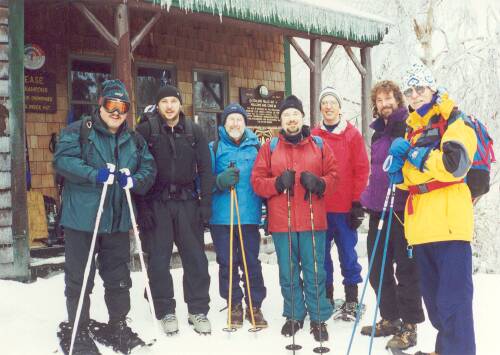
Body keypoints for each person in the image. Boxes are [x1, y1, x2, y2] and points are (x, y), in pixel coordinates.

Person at [54, 79, 156, 354]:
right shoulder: (79, 132)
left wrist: (133, 181)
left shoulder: (134, 139)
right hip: (82, 219)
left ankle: (118, 323)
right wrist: (94, 174)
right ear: (100, 105)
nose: (116, 111)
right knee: (80, 276)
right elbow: (63, 161)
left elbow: (149, 168)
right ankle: (79, 326)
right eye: (111, 104)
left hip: (117, 218)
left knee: (118, 276)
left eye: (122, 106)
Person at [386, 62, 477, 355]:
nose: (414, 95)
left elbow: (454, 166)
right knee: (437, 306)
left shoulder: (455, 122)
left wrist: (414, 156)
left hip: (449, 224)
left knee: (455, 305)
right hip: (421, 227)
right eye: (410, 90)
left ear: (433, 88)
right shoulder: (414, 128)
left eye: (420, 88)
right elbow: (417, 176)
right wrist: (399, 174)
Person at [251, 95, 338, 342]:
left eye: (295, 114)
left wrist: (320, 183)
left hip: (313, 221)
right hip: (282, 222)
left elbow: (335, 175)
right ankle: (294, 314)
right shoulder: (270, 148)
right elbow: (257, 182)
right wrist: (277, 183)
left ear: (302, 117)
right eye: (287, 115)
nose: (291, 119)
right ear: (281, 120)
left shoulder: (319, 145)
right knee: (288, 273)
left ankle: (319, 316)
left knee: (314, 271)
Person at [135, 85, 213, 335]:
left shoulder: (194, 131)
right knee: (158, 259)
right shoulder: (146, 130)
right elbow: (137, 170)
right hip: (156, 203)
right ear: (157, 105)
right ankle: (165, 309)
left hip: (187, 202)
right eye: (164, 101)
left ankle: (197, 309)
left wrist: (205, 204)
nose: (169, 106)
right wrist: (142, 207)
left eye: (173, 101)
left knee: (195, 258)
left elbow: (205, 170)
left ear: (180, 104)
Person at [359, 80, 425, 350]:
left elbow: (417, 162)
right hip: (378, 208)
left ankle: (409, 327)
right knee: (377, 268)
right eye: (380, 100)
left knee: (406, 271)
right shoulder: (377, 133)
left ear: (398, 100)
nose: (384, 104)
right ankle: (390, 317)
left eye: (389, 99)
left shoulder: (409, 126)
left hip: (401, 209)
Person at [311, 87, 369, 320]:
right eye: (324, 102)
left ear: (339, 107)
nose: (328, 106)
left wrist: (357, 202)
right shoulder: (314, 135)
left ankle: (352, 299)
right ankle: (326, 297)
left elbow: (362, 170)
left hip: (345, 208)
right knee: (321, 256)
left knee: (348, 254)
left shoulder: (352, 135)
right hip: (321, 207)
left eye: (332, 102)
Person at [209, 103, 267, 328]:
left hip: (249, 216)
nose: (235, 124)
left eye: (239, 120)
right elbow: (201, 182)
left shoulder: (256, 148)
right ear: (224, 124)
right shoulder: (213, 148)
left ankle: (255, 304)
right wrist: (218, 181)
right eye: (230, 120)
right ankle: (233, 302)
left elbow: (264, 178)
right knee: (227, 262)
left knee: (251, 261)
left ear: (245, 123)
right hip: (222, 218)